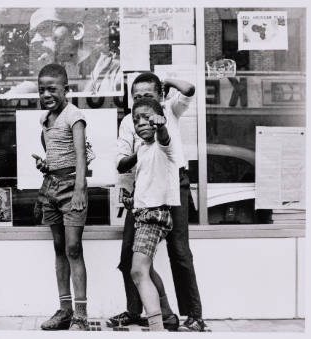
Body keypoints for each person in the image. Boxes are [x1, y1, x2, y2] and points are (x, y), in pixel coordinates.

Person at [111, 71, 210, 332]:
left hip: (174, 182)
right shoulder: (128, 122)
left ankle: (194, 315)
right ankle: (136, 310)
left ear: (160, 95)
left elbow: (189, 89)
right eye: (136, 96)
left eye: (148, 94)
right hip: (144, 187)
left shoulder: (169, 110)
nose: (141, 99)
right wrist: (141, 149)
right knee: (128, 254)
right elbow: (121, 161)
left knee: (179, 250)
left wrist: (168, 79)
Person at [32, 63, 89, 331]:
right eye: (42, 89)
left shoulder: (73, 115)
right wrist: (45, 165)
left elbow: (80, 156)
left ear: (66, 89)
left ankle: (81, 314)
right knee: (58, 248)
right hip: (50, 187)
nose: (46, 94)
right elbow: (54, 154)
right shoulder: (45, 119)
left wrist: (79, 189)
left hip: (71, 187)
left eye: (52, 89)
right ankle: (64, 310)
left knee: (73, 248)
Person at [127, 96, 178, 331]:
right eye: (136, 120)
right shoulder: (142, 149)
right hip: (143, 214)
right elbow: (147, 181)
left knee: (138, 270)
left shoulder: (162, 143)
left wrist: (161, 124)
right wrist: (134, 201)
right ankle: (164, 317)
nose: (140, 123)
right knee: (145, 269)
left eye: (147, 118)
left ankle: (157, 329)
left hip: (154, 215)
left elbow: (164, 137)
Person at [0, 8, 121, 96]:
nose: (34, 41)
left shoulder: (115, 74)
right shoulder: (45, 81)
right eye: (32, 35)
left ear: (77, 32)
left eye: (45, 28)